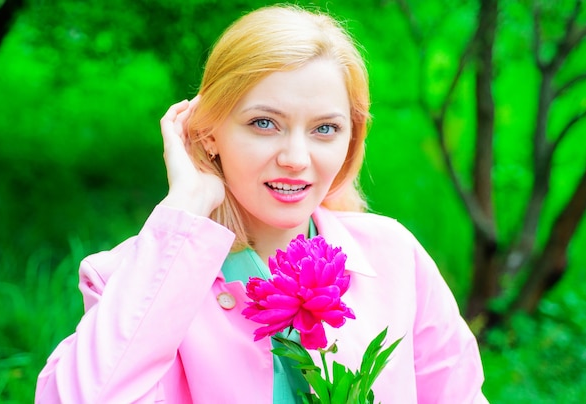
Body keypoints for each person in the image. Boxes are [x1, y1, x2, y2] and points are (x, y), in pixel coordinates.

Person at [35, 4, 488, 403]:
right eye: (265, 123)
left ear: (352, 140)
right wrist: (188, 206)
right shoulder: (135, 277)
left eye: (325, 129)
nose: (295, 159)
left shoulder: (395, 258)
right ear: (209, 132)